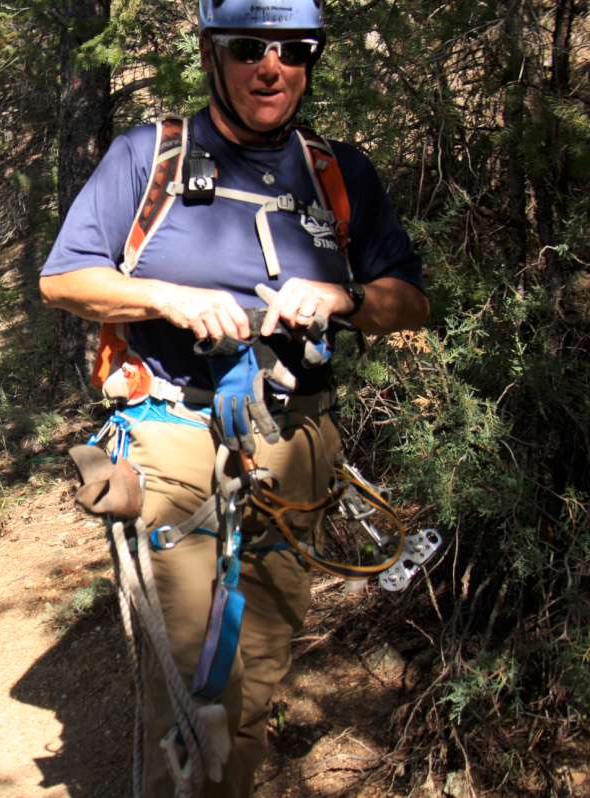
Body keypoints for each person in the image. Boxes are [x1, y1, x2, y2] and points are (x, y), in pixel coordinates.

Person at [38, 2, 429, 796]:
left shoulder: (339, 173)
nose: (272, 66)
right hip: (173, 438)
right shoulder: (148, 157)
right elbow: (63, 278)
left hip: (295, 449)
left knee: (259, 673)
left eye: (294, 49)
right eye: (250, 46)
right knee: (194, 688)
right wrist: (166, 299)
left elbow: (409, 302)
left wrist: (342, 298)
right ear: (214, 54)